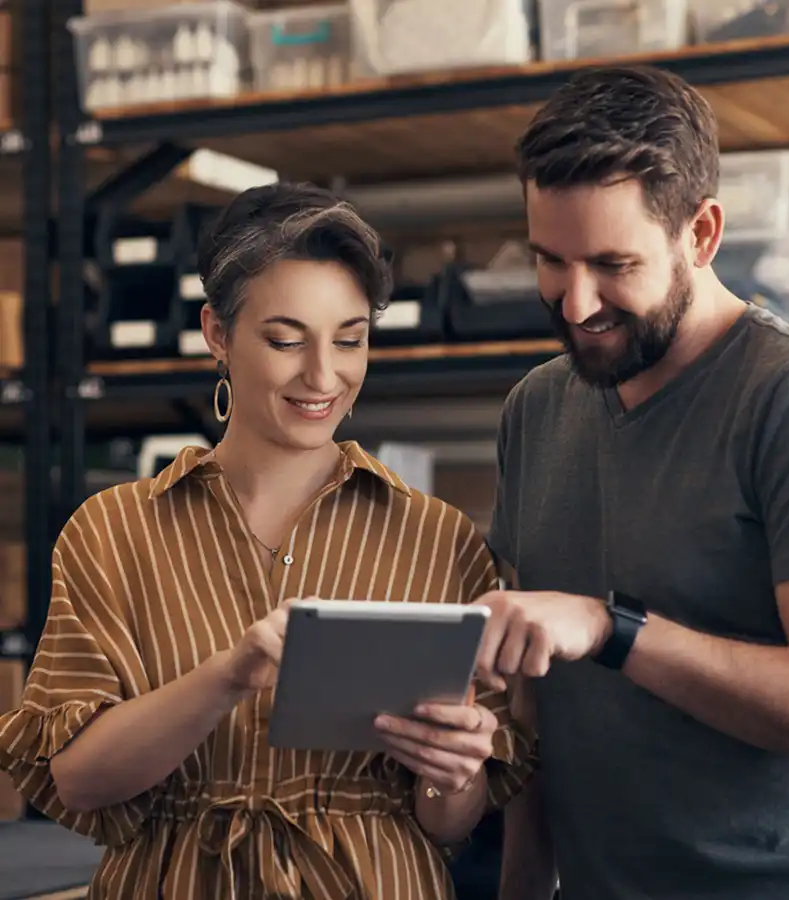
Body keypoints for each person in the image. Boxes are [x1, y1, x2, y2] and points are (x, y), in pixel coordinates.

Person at [0, 183, 534, 900]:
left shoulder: (439, 541)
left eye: (350, 339)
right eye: (286, 340)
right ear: (218, 334)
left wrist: (454, 771)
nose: (323, 376)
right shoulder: (113, 532)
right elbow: (79, 781)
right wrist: (228, 675)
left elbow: (445, 825)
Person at [471, 65, 789, 900]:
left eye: (611, 263)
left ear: (700, 234)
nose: (576, 302)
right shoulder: (537, 407)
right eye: (549, 261)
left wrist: (610, 629)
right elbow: (536, 705)